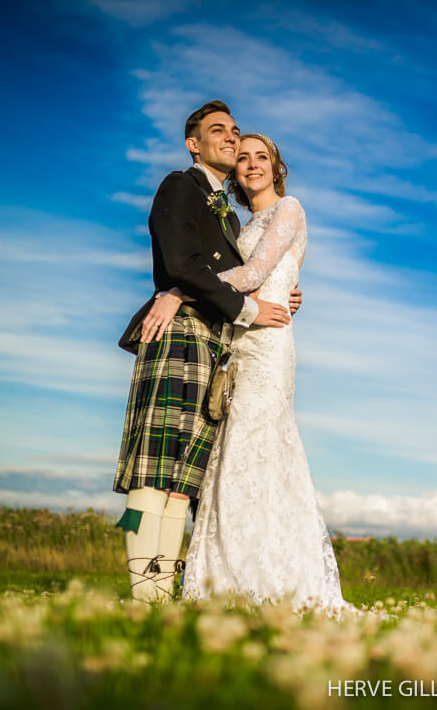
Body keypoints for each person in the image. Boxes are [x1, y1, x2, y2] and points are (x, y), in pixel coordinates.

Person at [143, 133, 351, 614]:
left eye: (263, 157)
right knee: (228, 451)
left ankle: (270, 579)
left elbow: (256, 275)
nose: (252, 164)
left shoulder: (290, 208)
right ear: (234, 172)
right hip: (235, 342)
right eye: (243, 158)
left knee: (257, 445)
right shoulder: (237, 221)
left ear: (277, 167)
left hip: (268, 344)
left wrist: (179, 291)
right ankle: (222, 576)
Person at [113, 101, 303, 603]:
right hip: (177, 335)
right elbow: (181, 263)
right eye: (217, 130)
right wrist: (227, 302)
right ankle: (145, 591)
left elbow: (243, 271)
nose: (231, 138)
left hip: (213, 343)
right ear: (193, 143)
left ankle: (163, 592)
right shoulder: (181, 184)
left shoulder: (228, 213)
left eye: (235, 131)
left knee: (184, 477)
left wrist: (279, 295)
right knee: (156, 467)